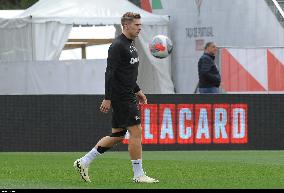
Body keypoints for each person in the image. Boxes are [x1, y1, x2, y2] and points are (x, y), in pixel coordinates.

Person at [73, 12, 159, 184]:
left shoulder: (131, 45)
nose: (139, 28)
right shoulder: (117, 46)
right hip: (122, 98)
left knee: (118, 135)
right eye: (136, 25)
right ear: (126, 26)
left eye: (140, 25)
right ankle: (138, 174)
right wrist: (108, 98)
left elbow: (126, 73)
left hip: (127, 94)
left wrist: (137, 89)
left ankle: (83, 162)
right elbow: (110, 73)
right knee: (136, 132)